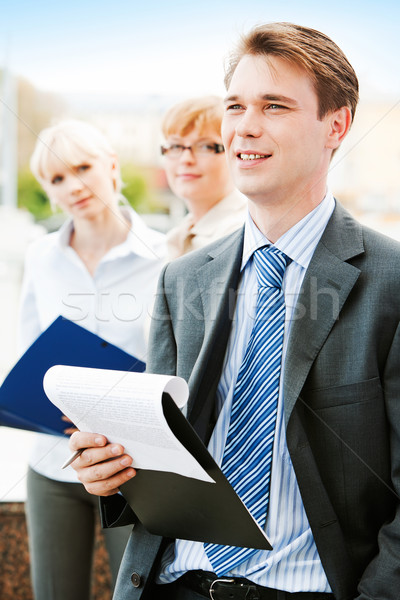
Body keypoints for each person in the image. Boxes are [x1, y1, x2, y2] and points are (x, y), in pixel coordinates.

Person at [70, 22, 400, 600]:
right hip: (175, 584)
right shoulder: (182, 278)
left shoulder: (390, 281)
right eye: (235, 106)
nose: (245, 126)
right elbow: (163, 452)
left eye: (275, 106)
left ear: (337, 125)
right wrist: (115, 474)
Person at [18, 119, 166, 600]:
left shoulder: (165, 256)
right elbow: (31, 350)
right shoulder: (41, 256)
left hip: (134, 468)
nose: (73, 186)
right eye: (57, 178)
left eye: (83, 168)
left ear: (113, 167)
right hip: (54, 463)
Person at [160, 95, 247, 259]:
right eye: (175, 146)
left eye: (205, 146)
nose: (186, 159)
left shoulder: (242, 234)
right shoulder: (177, 237)